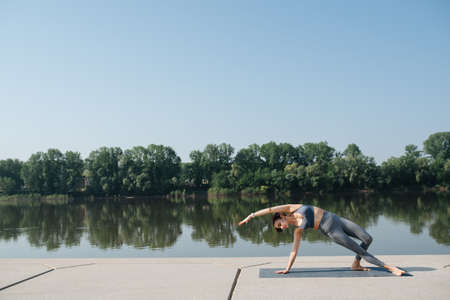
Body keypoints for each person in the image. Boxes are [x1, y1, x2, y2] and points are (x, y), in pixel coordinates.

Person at [238, 204, 405, 276]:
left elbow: (269, 209)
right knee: (359, 249)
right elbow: (294, 250)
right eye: (279, 228)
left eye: (279, 224)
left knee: (367, 238)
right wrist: (287, 268)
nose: (281, 227)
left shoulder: (291, 207)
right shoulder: (297, 230)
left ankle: (355, 264)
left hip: (336, 218)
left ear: (281, 216)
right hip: (331, 231)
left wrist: (250, 216)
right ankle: (390, 268)